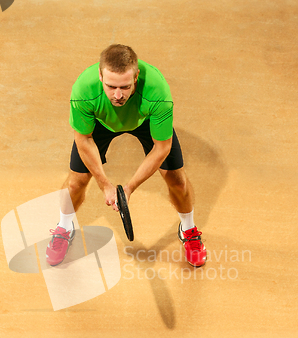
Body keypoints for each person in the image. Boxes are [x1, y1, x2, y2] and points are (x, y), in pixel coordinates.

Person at [46, 44, 207, 268]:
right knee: (75, 183)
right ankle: (64, 227)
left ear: (136, 76)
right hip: (101, 122)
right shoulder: (84, 90)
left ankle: (188, 229)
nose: (118, 95)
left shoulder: (157, 91)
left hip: (145, 118)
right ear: (100, 76)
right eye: (111, 87)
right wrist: (104, 184)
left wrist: (128, 188)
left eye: (125, 86)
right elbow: (83, 139)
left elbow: (162, 148)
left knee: (177, 181)